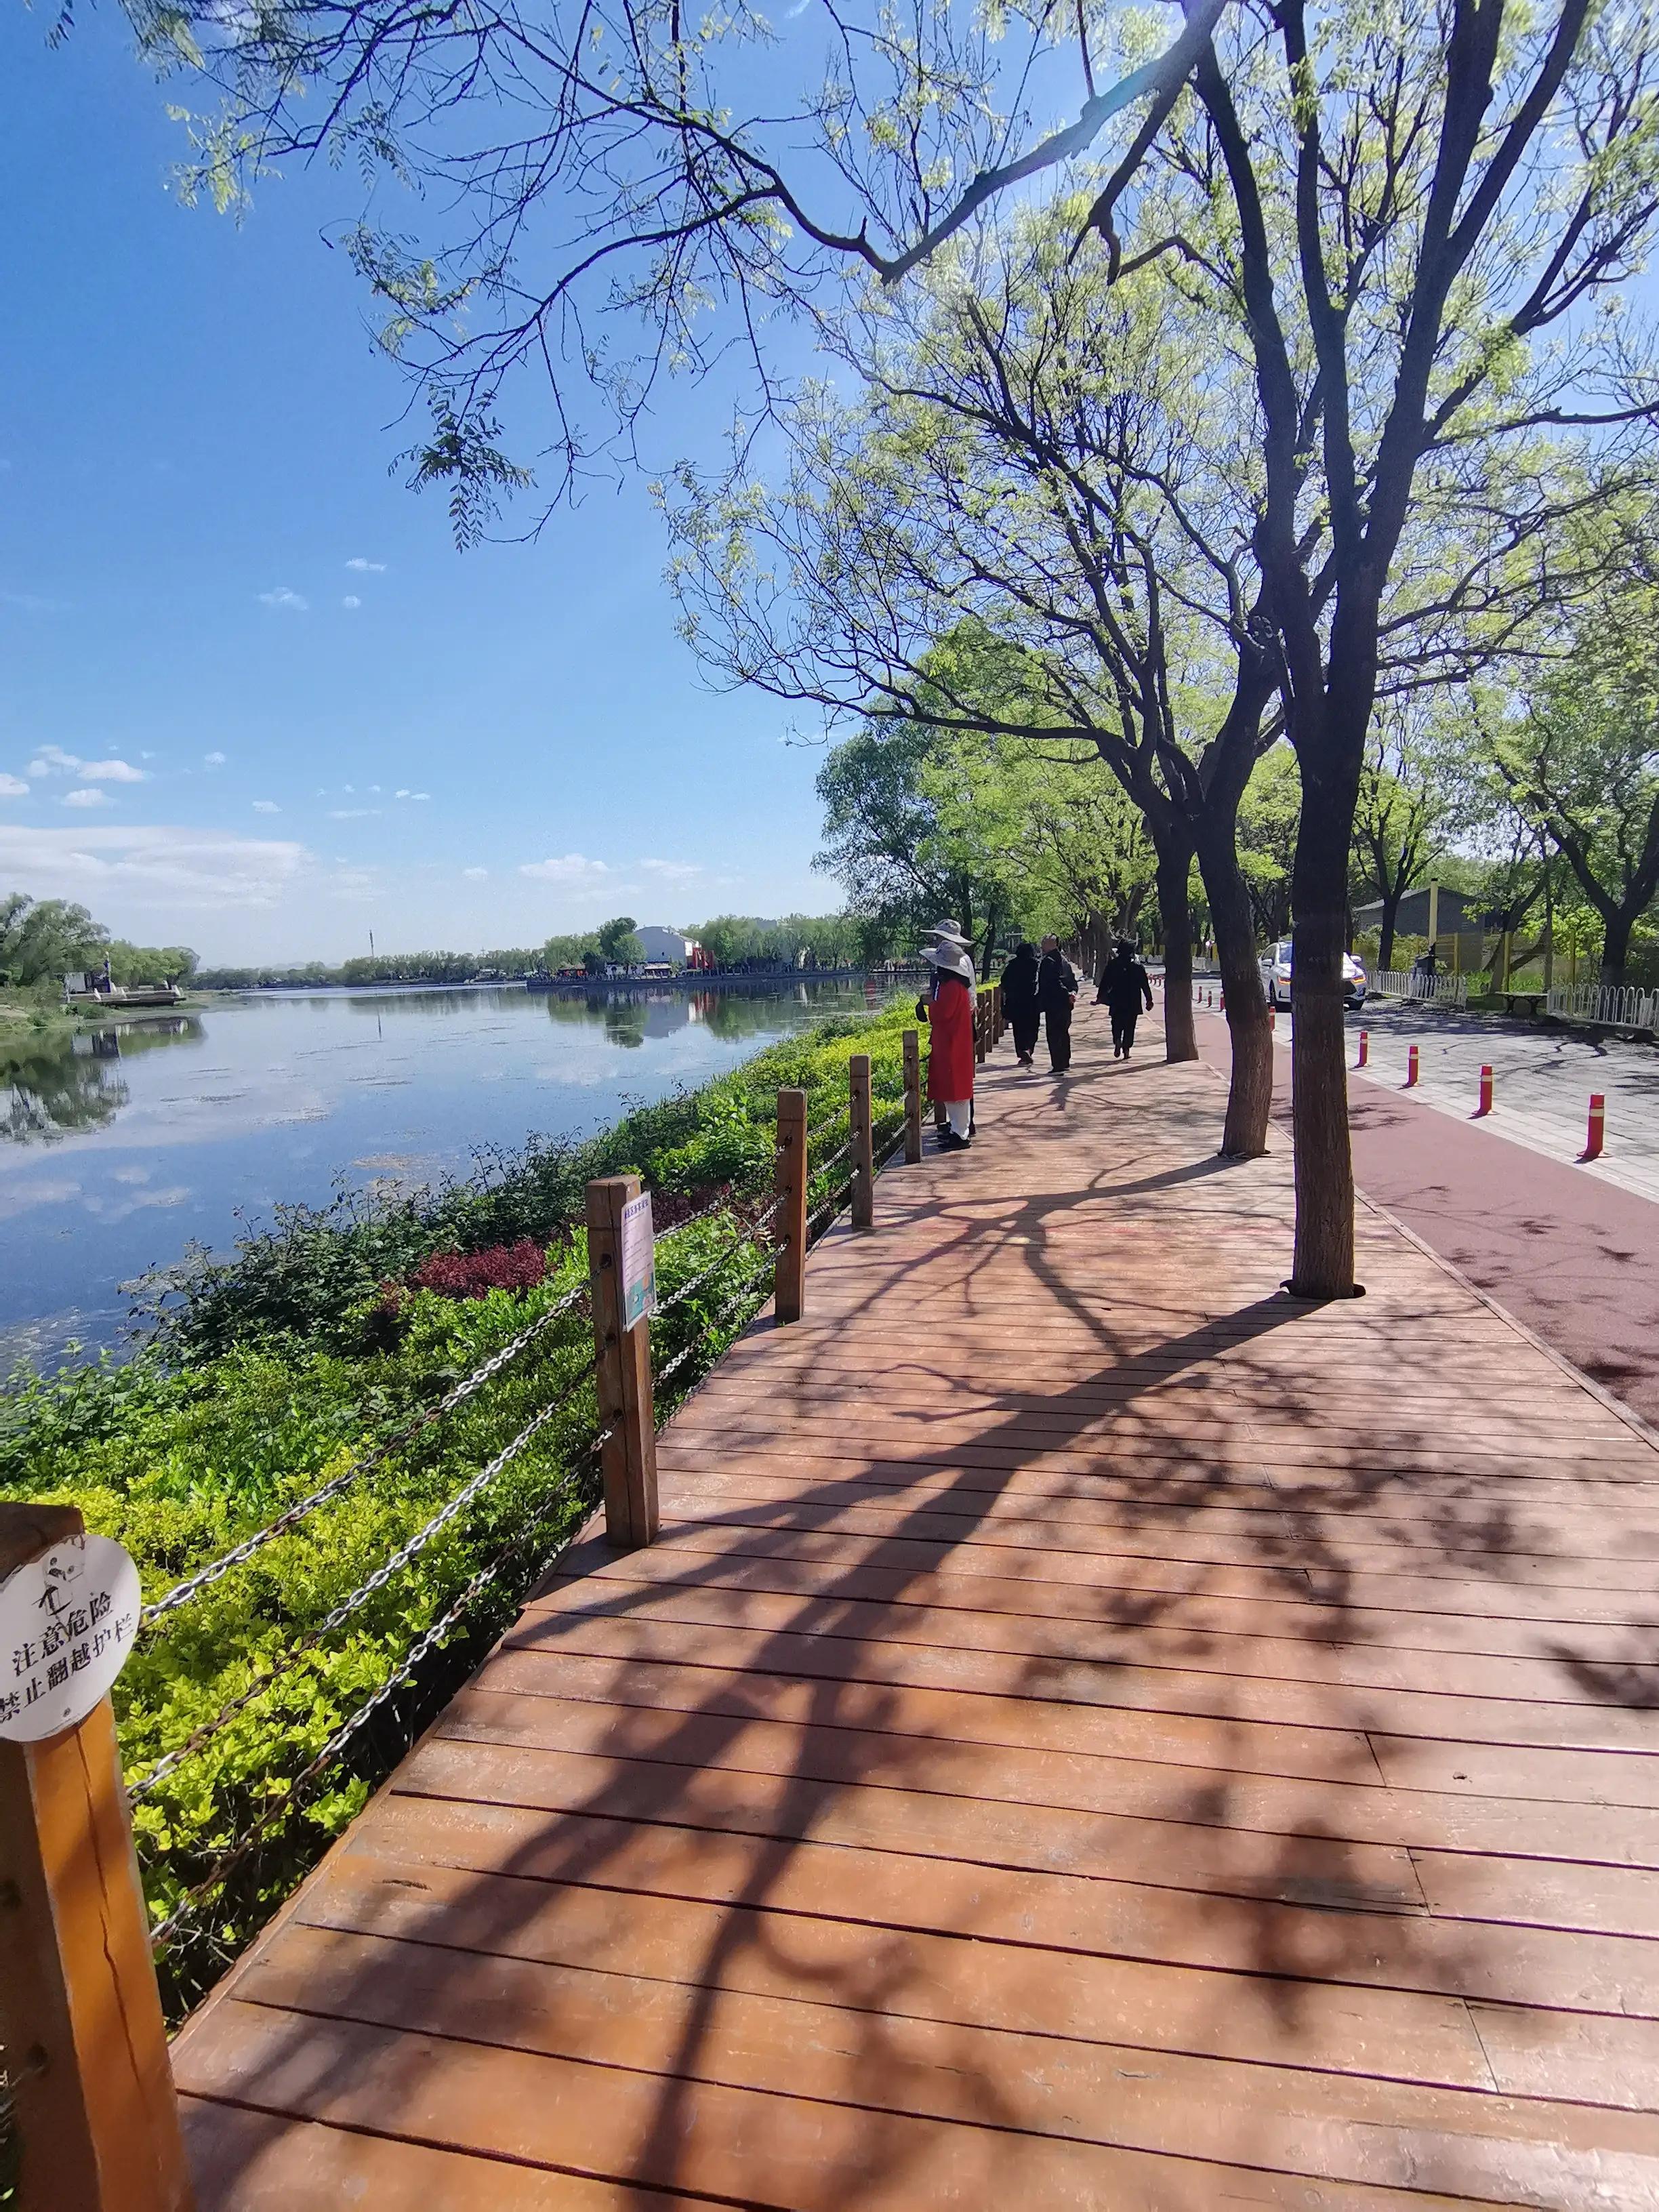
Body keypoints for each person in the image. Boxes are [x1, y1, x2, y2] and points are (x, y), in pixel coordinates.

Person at [921, 928, 976, 1148]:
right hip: (952, 1041)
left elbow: (941, 1014)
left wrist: (929, 1004)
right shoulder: (955, 986)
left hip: (952, 1043)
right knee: (954, 1090)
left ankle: (960, 1133)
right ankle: (956, 1129)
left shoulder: (952, 987)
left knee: (957, 1091)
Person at [1097, 939, 1154, 1059]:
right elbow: (1145, 985)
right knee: (1130, 1026)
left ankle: (1117, 1039)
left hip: (1116, 1000)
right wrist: (1149, 1000)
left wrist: (1100, 997)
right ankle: (1126, 1049)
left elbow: (1105, 982)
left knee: (1116, 1023)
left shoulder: (1112, 965)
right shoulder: (1138, 967)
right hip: (1132, 1002)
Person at [1036, 935, 1078, 1073]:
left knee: (1054, 1034)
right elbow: (1072, 981)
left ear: (1051, 944)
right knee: (1064, 1032)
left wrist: (1068, 994)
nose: (1041, 945)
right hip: (1066, 1003)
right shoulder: (1064, 961)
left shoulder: (1049, 961)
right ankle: (1064, 1062)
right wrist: (1072, 993)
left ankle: (1058, 1064)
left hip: (1054, 1003)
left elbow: (1053, 982)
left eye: (1044, 942)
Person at [999, 941, 1041, 1066]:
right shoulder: (1035, 965)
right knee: (1033, 1027)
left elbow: (1004, 982)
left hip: (1016, 1002)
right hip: (1032, 1002)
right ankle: (1029, 1049)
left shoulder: (1012, 965)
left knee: (1018, 1029)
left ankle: (1022, 1051)